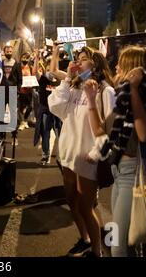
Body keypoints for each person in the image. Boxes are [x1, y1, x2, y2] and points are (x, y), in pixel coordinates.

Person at [84, 46, 146, 257]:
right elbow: (99, 131)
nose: (116, 67)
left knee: (119, 246)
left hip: (132, 177)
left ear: (134, 70)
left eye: (121, 64)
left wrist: (134, 90)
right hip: (119, 174)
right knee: (127, 241)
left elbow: (144, 135)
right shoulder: (123, 101)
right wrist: (91, 100)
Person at [48, 45, 116, 257]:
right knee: (71, 201)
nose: (77, 62)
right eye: (76, 58)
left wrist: (96, 153)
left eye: (83, 59)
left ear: (95, 63)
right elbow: (55, 107)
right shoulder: (74, 86)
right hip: (68, 153)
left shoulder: (106, 90)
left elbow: (110, 130)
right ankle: (85, 239)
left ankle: (97, 251)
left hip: (88, 157)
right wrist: (67, 79)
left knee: (86, 206)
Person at [33, 56, 62, 165]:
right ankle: (45, 156)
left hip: (58, 112)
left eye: (55, 66)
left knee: (61, 134)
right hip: (45, 110)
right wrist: (36, 58)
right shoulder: (43, 80)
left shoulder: (61, 82)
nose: (53, 69)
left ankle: (62, 157)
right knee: (45, 133)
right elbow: (35, 72)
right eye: (51, 67)